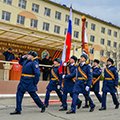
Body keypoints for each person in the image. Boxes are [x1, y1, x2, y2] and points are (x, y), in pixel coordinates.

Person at [10, 51, 45, 115]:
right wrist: (23, 57)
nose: (27, 56)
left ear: (32, 56)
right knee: (19, 94)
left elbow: (37, 74)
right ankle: (18, 109)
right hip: (23, 81)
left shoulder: (34, 63)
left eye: (29, 55)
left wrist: (35, 82)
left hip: (30, 82)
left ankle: (42, 106)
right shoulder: (26, 61)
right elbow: (20, 62)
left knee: (34, 96)